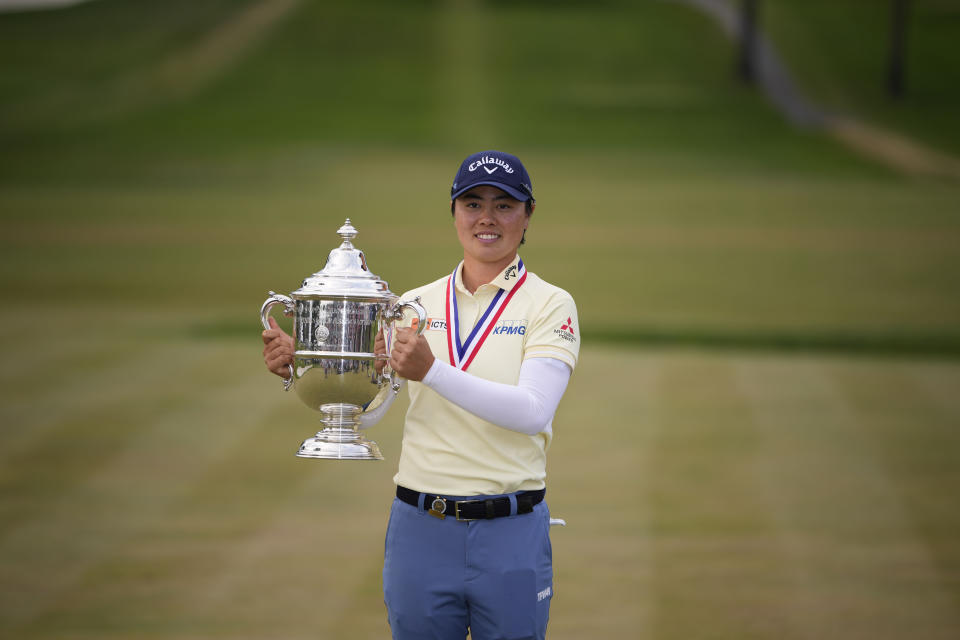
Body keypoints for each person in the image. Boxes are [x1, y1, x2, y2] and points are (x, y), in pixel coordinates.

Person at [261, 150, 580, 640]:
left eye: (505, 204)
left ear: (528, 215)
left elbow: (532, 412)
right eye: (472, 204)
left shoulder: (550, 303)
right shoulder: (414, 303)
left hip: (510, 529)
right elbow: (369, 411)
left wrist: (432, 371)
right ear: (454, 212)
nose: (487, 218)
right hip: (421, 529)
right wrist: (308, 368)